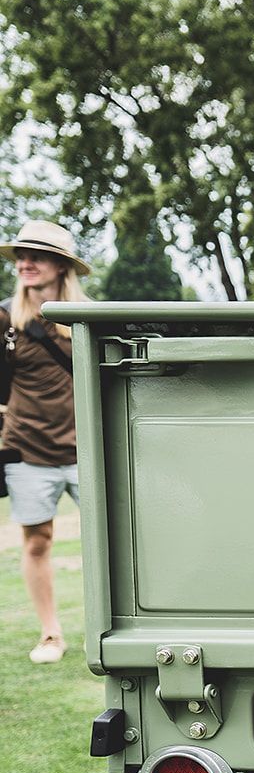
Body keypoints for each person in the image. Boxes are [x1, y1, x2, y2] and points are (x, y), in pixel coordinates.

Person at [0, 220, 93, 663]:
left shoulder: (89, 317)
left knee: (115, 542)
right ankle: (51, 634)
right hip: (28, 451)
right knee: (37, 541)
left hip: (90, 452)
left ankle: (113, 629)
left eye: (36, 256)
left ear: (61, 265)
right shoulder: (6, 319)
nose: (25, 263)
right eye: (21, 255)